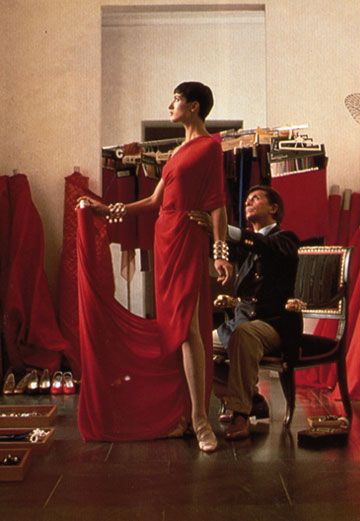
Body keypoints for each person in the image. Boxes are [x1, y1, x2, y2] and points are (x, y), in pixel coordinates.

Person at [78, 81, 232, 452]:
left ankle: (201, 421)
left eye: (176, 99)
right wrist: (106, 210)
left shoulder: (210, 147)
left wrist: (220, 251)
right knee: (172, 330)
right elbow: (152, 201)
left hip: (187, 237)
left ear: (194, 106)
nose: (170, 105)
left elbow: (217, 204)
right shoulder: (176, 152)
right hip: (164, 238)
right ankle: (181, 416)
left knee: (188, 328)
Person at [193, 185, 303, 440]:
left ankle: (240, 414)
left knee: (243, 335)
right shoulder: (247, 245)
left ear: (273, 208)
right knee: (198, 346)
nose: (248, 202)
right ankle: (253, 400)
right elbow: (223, 246)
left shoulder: (286, 239)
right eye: (246, 200)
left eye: (255, 198)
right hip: (242, 321)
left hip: (273, 323)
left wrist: (223, 228)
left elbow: (263, 245)